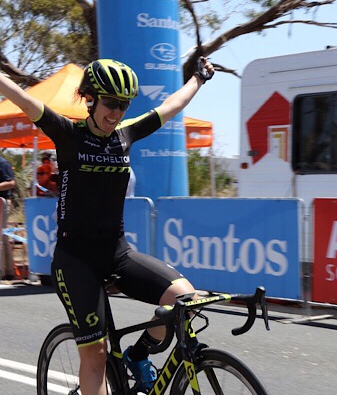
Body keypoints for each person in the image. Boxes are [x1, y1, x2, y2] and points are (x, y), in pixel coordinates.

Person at [0, 57, 214, 395]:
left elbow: (171, 106)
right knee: (96, 355)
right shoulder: (68, 134)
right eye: (110, 103)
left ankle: (138, 354)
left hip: (117, 252)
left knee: (184, 299)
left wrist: (198, 79)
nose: (116, 112)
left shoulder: (125, 135)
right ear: (90, 98)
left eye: (123, 105)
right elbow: (24, 99)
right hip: (75, 261)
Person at [0, 155, 15, 280]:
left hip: (3, 202)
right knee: (3, 237)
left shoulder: (3, 163)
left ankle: (6, 271)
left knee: (2, 236)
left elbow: (11, 182)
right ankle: (8, 271)